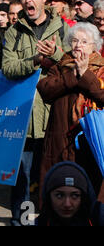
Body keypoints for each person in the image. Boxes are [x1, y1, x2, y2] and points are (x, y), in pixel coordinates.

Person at [1, 0, 70, 226]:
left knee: (51, 176)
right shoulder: (14, 31)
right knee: (23, 176)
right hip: (24, 117)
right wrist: (35, 61)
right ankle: (21, 222)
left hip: (55, 115)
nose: (28, 1)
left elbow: (73, 66)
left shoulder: (63, 28)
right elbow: (7, 68)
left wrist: (57, 54)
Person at [37, 22, 104, 203]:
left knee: (85, 195)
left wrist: (86, 75)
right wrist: (74, 76)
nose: (78, 45)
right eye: (74, 40)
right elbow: (45, 89)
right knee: (56, 193)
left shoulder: (101, 69)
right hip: (58, 140)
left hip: (88, 142)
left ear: (94, 46)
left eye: (84, 41)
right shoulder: (61, 65)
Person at [36, 161, 104, 226]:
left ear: (83, 198)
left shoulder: (97, 220)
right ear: (48, 197)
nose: (67, 204)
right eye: (59, 196)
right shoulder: (38, 223)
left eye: (75, 196)